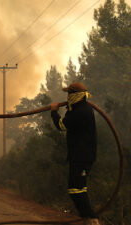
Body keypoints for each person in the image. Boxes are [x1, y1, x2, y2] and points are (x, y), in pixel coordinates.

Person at [50, 82, 100, 225]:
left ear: (75, 95)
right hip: (81, 157)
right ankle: (88, 218)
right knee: (78, 188)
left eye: (69, 94)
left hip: (82, 157)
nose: (67, 97)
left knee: (76, 188)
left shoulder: (80, 111)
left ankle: (91, 219)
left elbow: (61, 125)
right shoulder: (80, 108)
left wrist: (54, 111)